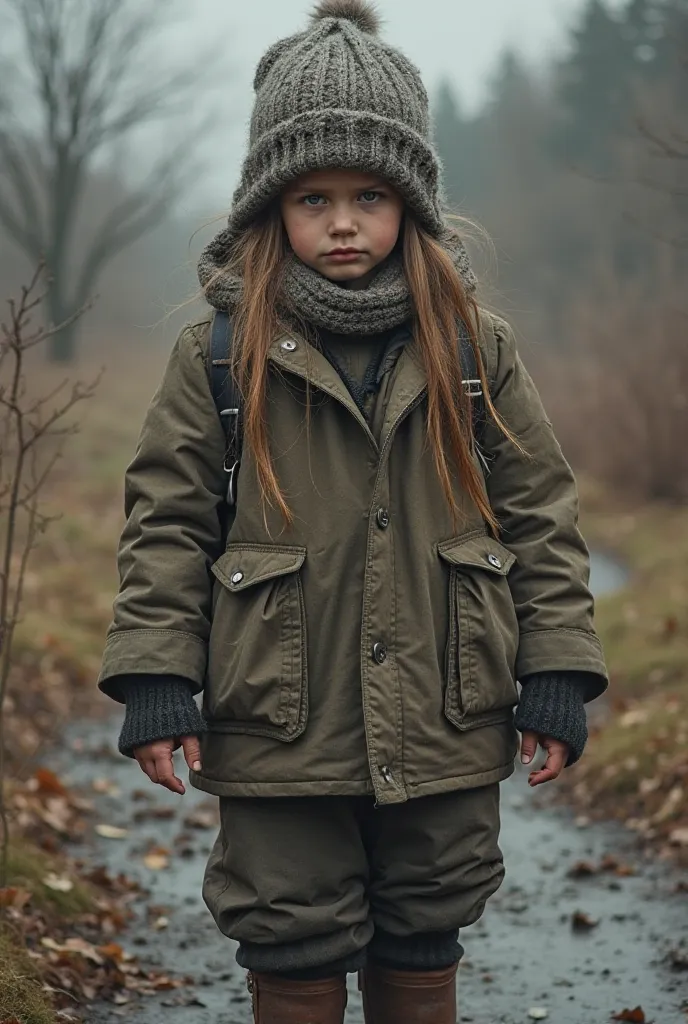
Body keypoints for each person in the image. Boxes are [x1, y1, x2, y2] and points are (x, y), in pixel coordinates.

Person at [97, 2, 608, 1021]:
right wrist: (156, 675)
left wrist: (555, 669)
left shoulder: (475, 347)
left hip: (446, 703)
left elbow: (539, 513)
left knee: (430, 908)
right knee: (287, 920)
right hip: (278, 712)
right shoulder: (217, 354)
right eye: (312, 196)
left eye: (370, 195)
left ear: (411, 203)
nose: (341, 222)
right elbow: (167, 522)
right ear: (267, 208)